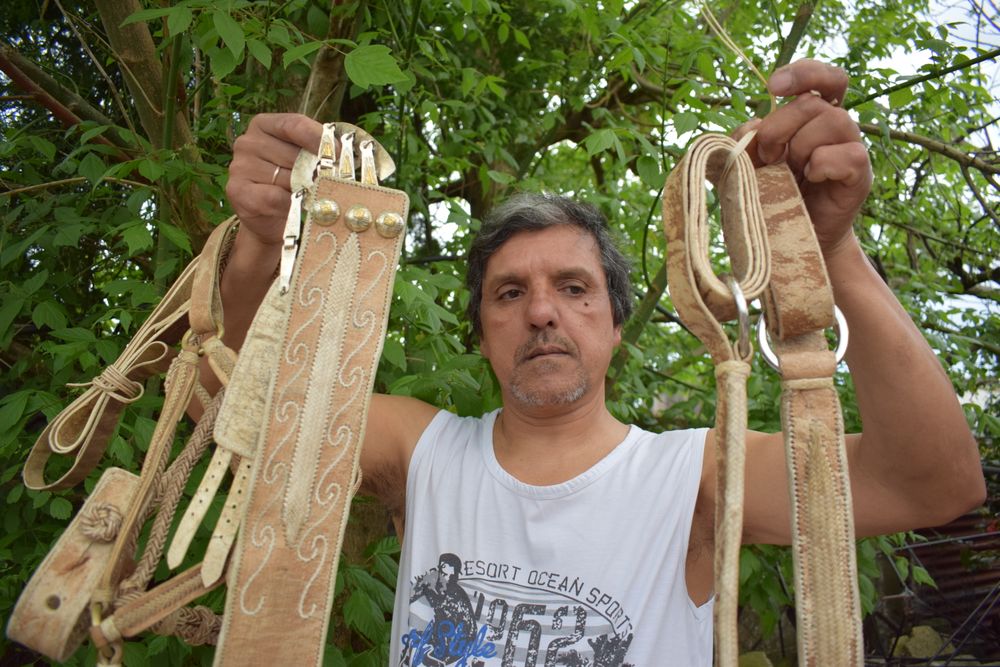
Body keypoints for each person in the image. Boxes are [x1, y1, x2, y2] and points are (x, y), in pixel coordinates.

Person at [212, 59, 985, 665]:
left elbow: (932, 482)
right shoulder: (422, 453)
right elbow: (238, 408)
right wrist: (260, 244)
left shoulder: (693, 479)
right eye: (510, 292)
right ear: (480, 334)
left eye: (574, 288)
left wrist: (831, 250)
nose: (542, 311)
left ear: (617, 327)